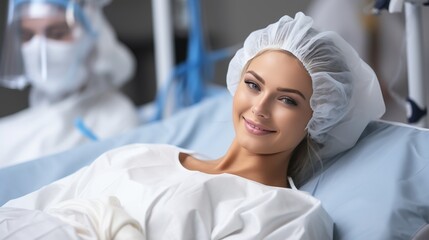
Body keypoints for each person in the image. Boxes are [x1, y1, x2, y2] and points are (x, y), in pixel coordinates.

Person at [0, 12, 385, 239]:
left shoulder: (288, 216)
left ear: (319, 116)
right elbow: (22, 212)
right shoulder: (141, 155)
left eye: (288, 100)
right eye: (253, 85)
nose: (260, 108)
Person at [0, 0, 139, 167]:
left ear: (89, 39)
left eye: (57, 34)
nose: (38, 48)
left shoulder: (116, 118)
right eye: (27, 36)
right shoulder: (7, 135)